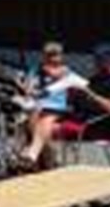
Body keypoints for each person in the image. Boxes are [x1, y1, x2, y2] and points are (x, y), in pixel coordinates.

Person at [13, 41, 87, 170]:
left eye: (55, 55)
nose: (52, 59)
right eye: (49, 55)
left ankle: (33, 155)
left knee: (43, 119)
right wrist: (21, 84)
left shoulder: (65, 70)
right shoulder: (35, 69)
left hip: (57, 106)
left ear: (61, 56)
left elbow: (58, 75)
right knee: (31, 116)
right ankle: (48, 162)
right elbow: (29, 88)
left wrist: (46, 70)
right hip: (38, 105)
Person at [64, 42, 110, 150]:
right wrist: (73, 94)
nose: (96, 63)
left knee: (47, 129)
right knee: (41, 122)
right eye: (96, 59)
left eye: (100, 59)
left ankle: (45, 158)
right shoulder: (94, 80)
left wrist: (90, 94)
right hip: (84, 120)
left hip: (102, 127)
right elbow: (80, 102)